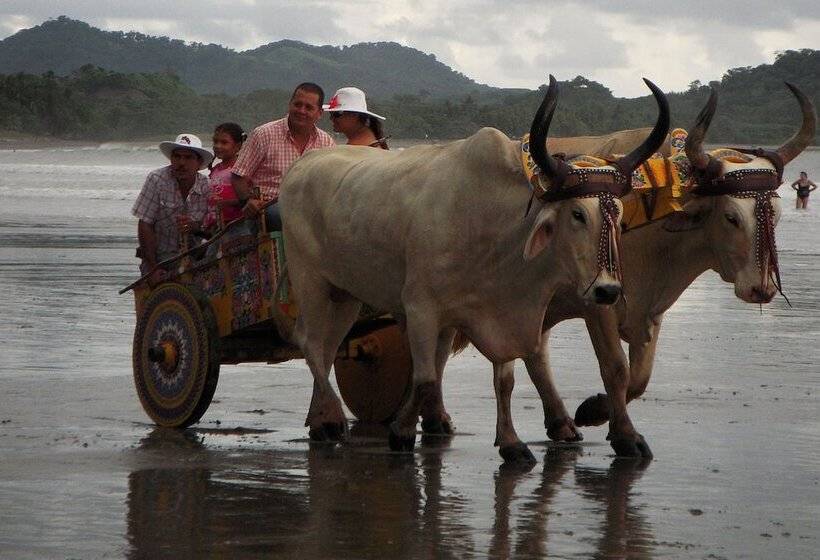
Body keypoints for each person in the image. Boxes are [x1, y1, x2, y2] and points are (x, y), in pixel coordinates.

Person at [231, 82, 335, 228]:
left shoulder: (326, 143)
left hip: (309, 212)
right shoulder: (264, 134)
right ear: (290, 105)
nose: (301, 111)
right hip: (269, 211)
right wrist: (248, 201)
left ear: (319, 113)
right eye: (297, 105)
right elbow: (238, 176)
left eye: (309, 107)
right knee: (279, 213)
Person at [132, 133, 214, 286]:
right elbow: (145, 223)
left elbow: (212, 229)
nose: (181, 163)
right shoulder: (157, 179)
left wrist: (195, 227)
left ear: (199, 163)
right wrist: (152, 268)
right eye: (177, 156)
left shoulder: (207, 186)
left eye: (188, 158)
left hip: (195, 259)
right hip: (159, 259)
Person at [204, 122, 246, 231]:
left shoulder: (241, 169)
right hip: (215, 227)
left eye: (224, 142)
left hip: (236, 225)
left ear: (238, 146)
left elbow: (248, 198)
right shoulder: (215, 169)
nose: (218, 146)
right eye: (215, 142)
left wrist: (227, 203)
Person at [324, 87, 389, 149]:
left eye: (337, 114)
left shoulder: (362, 150)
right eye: (331, 114)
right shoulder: (367, 145)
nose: (331, 118)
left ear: (355, 115)